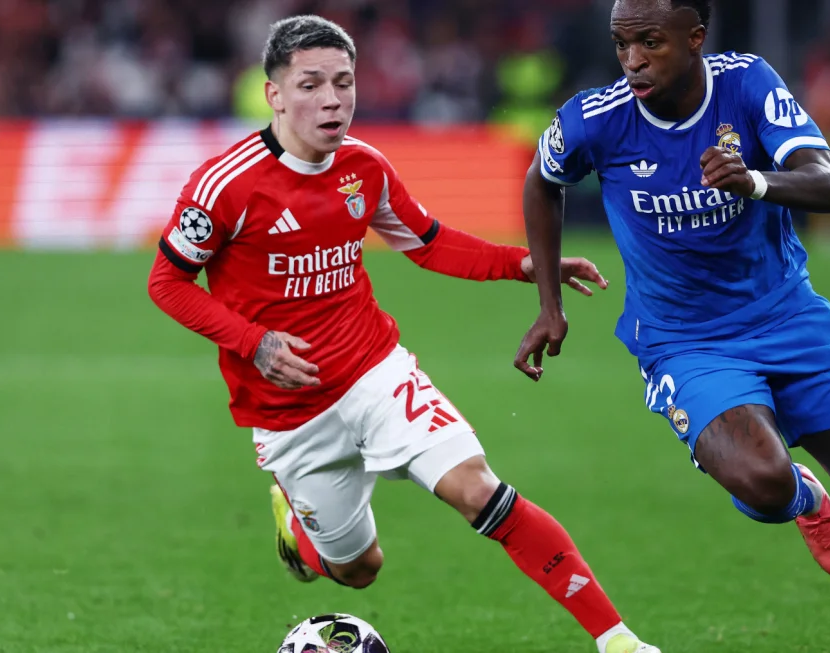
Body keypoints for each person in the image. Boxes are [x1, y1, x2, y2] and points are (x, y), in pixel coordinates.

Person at [147, 15, 658, 653]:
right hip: (289, 413)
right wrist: (257, 343)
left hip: (375, 372)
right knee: (359, 572)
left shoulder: (365, 167)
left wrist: (524, 264)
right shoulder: (226, 186)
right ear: (274, 94)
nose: (332, 100)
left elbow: (428, 243)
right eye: (310, 85)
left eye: (343, 82)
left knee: (478, 489)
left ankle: (618, 641)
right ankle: (295, 525)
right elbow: (166, 283)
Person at [513, 1, 830, 651]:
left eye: (649, 43)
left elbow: (829, 185)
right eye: (620, 44)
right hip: (685, 341)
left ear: (695, 38)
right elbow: (539, 181)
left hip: (788, 317)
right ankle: (802, 497)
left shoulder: (746, 84)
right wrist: (549, 304)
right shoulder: (596, 120)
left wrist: (751, 179)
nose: (631, 60)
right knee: (765, 482)